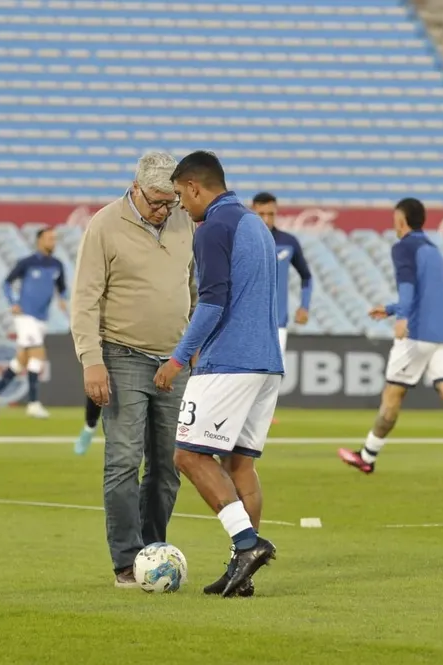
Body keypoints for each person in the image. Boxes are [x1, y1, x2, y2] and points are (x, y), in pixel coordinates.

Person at [153, 151, 282, 598]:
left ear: (193, 187)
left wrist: (177, 359)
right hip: (267, 362)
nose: (179, 207)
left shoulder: (213, 230)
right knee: (239, 463)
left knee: (187, 456)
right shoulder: (253, 225)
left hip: (229, 362)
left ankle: (247, 544)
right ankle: (240, 572)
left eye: (178, 196)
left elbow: (211, 303)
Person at [70, 151, 197, 589]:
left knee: (168, 466)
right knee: (123, 461)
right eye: (157, 202)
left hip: (175, 360)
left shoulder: (184, 222)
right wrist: (91, 360)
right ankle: (127, 561)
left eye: (171, 202)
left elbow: (193, 287)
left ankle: (153, 550)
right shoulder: (104, 225)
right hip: (121, 356)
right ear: (135, 188)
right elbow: (85, 298)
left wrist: (193, 344)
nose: (164, 210)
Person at [338, 198, 443, 479]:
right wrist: (392, 309)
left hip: (417, 334)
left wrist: (402, 316)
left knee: (393, 396)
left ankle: (367, 457)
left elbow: (407, 286)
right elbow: (428, 293)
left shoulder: (403, 246)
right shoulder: (433, 250)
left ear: (401, 220)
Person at [0, 227, 67, 421]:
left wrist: (63, 299)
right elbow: (6, 283)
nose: (52, 241)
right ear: (39, 240)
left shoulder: (57, 265)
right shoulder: (27, 263)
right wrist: (13, 303)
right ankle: (33, 404)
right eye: (49, 238)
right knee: (38, 354)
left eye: (54, 238)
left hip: (42, 318)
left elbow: (61, 288)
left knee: (22, 360)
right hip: (25, 316)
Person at [251, 192, 311, 366]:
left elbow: (306, 277)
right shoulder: (241, 240)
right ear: (253, 211)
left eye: (271, 214)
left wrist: (304, 306)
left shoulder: (288, 242)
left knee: (273, 375)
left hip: (277, 323)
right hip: (248, 323)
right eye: (262, 214)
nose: (267, 219)